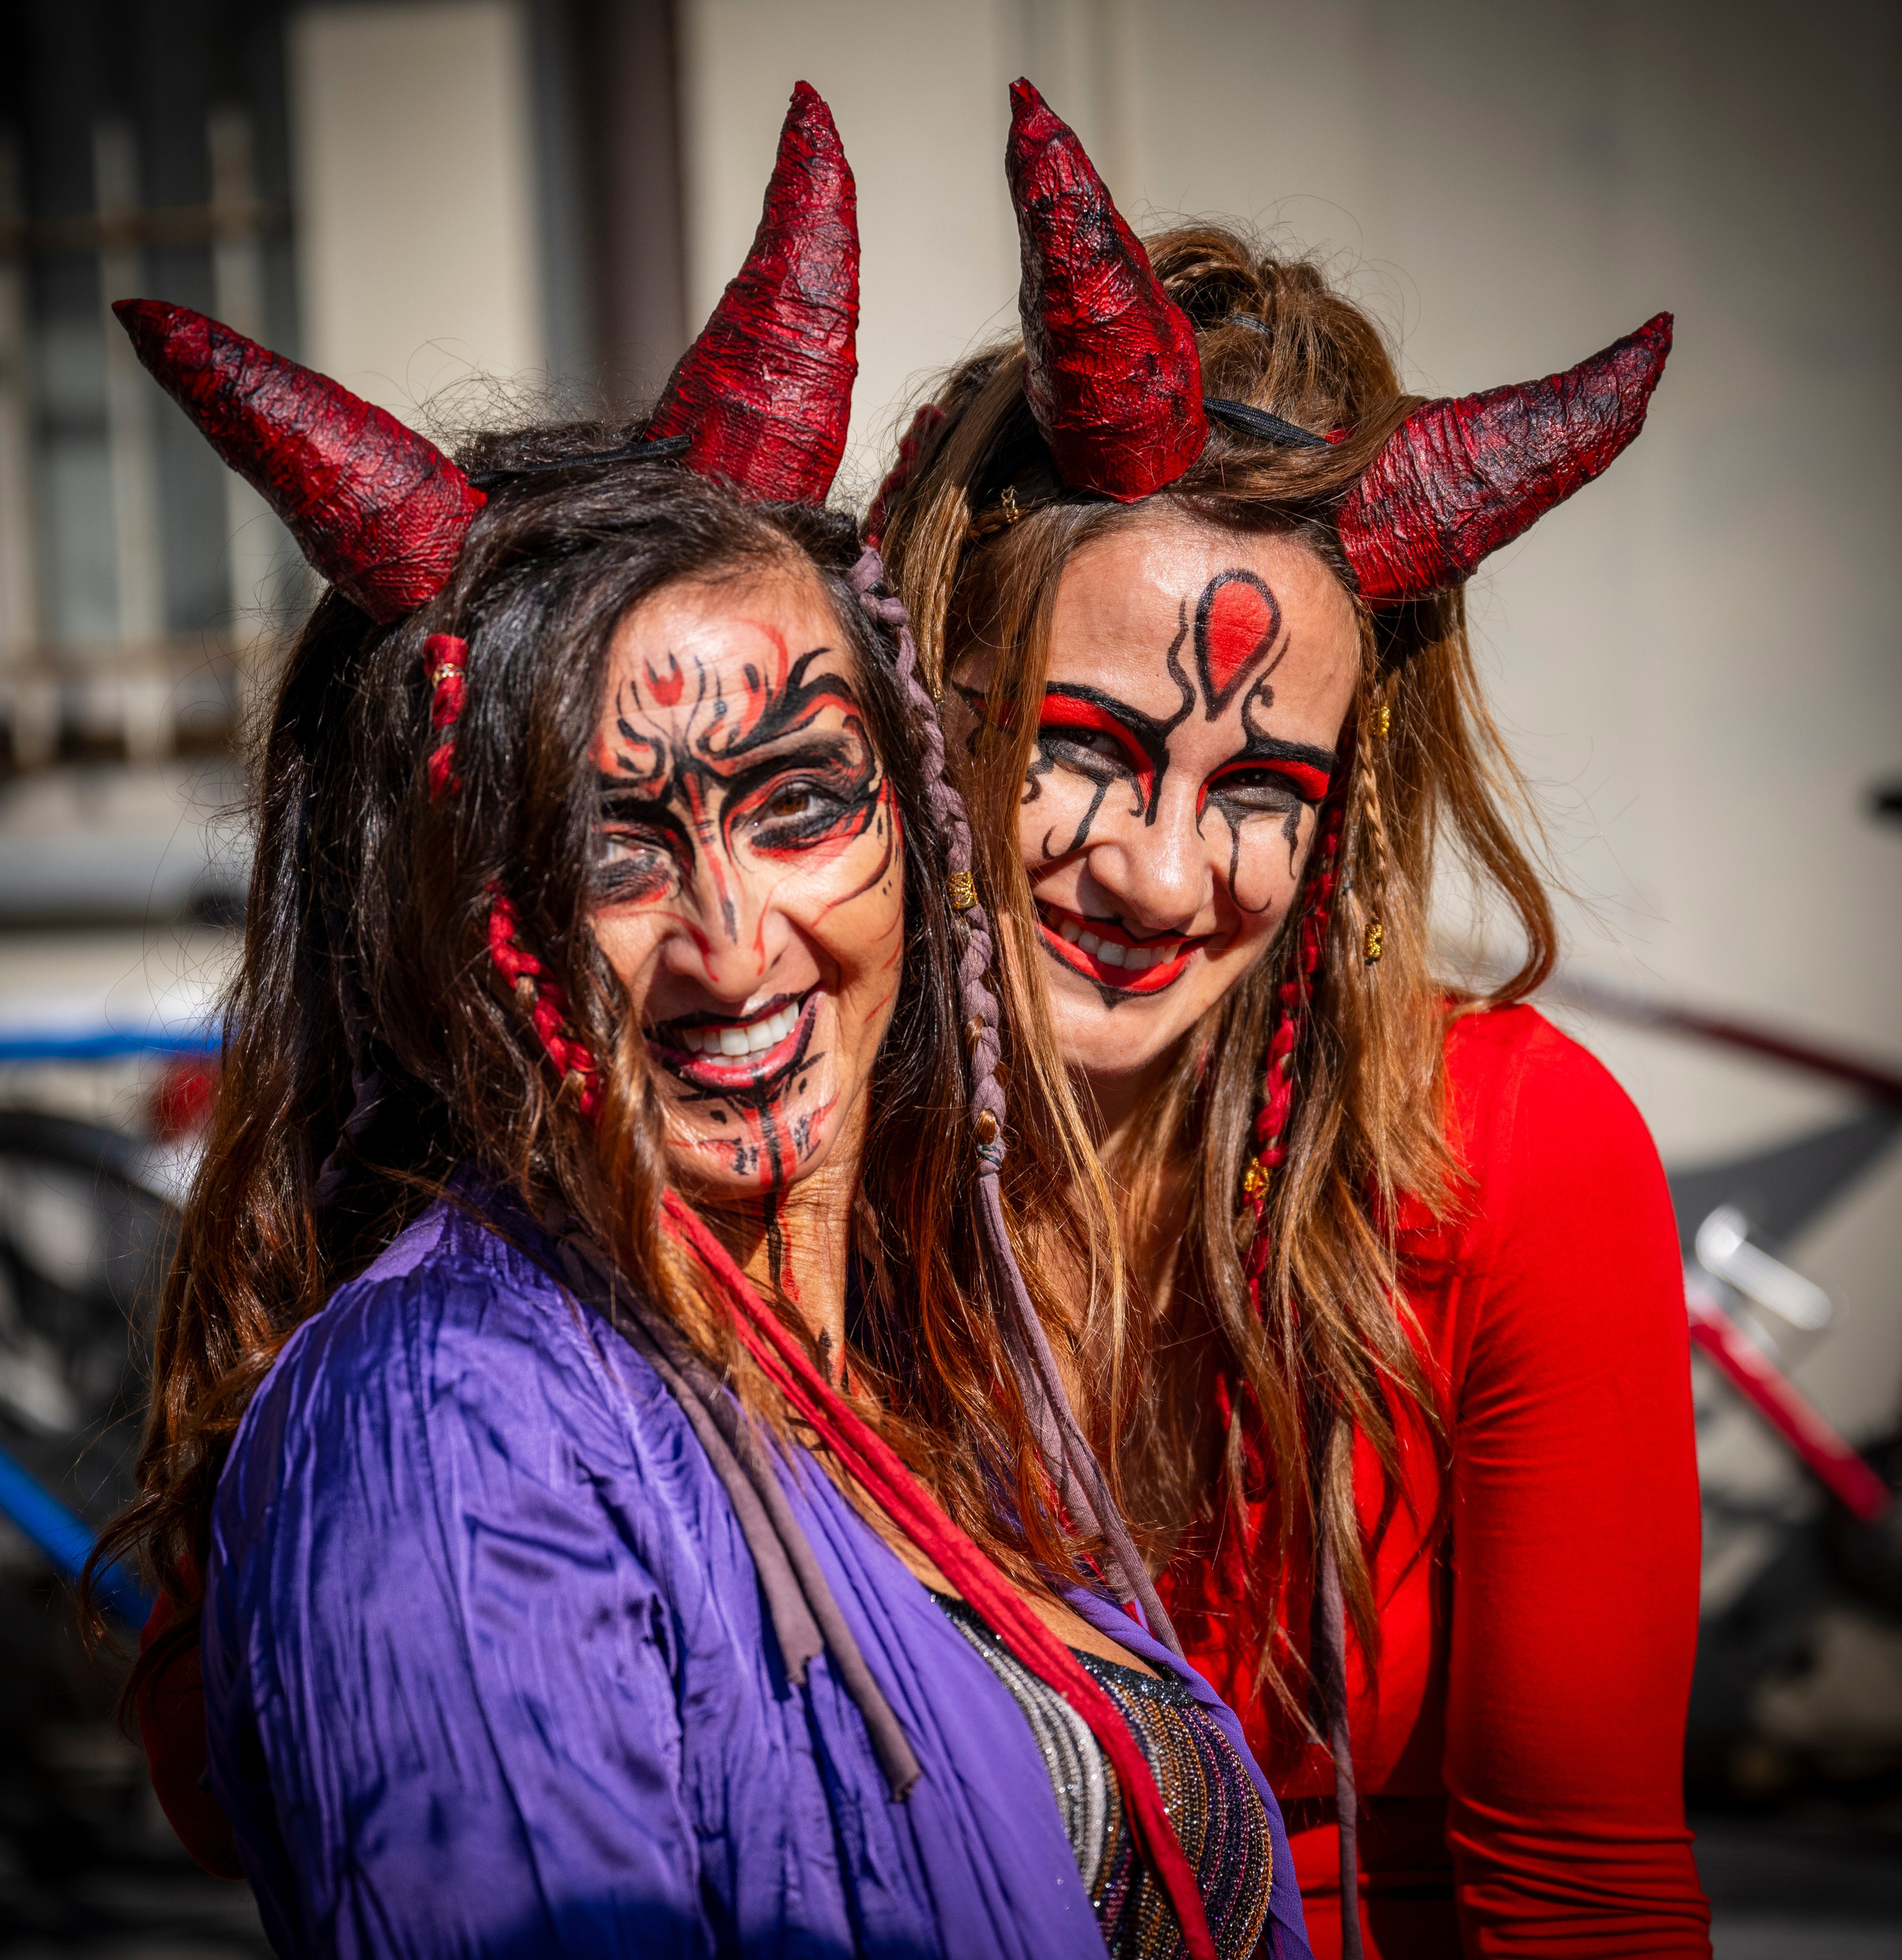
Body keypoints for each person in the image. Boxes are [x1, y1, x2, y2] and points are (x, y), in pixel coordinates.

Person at [92, 87, 1309, 1960]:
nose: (734, 941)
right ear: (446, 920)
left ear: (913, 814)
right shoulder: (444, 1437)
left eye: (800, 799)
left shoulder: (911, 1347)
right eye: (611, 842)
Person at [877, 80, 1712, 1959]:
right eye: (1080, 752)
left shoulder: (1504, 1150)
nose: (1165, 877)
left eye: (1260, 788)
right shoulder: (779, 1143)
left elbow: (1580, 1897)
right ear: (937, 697)